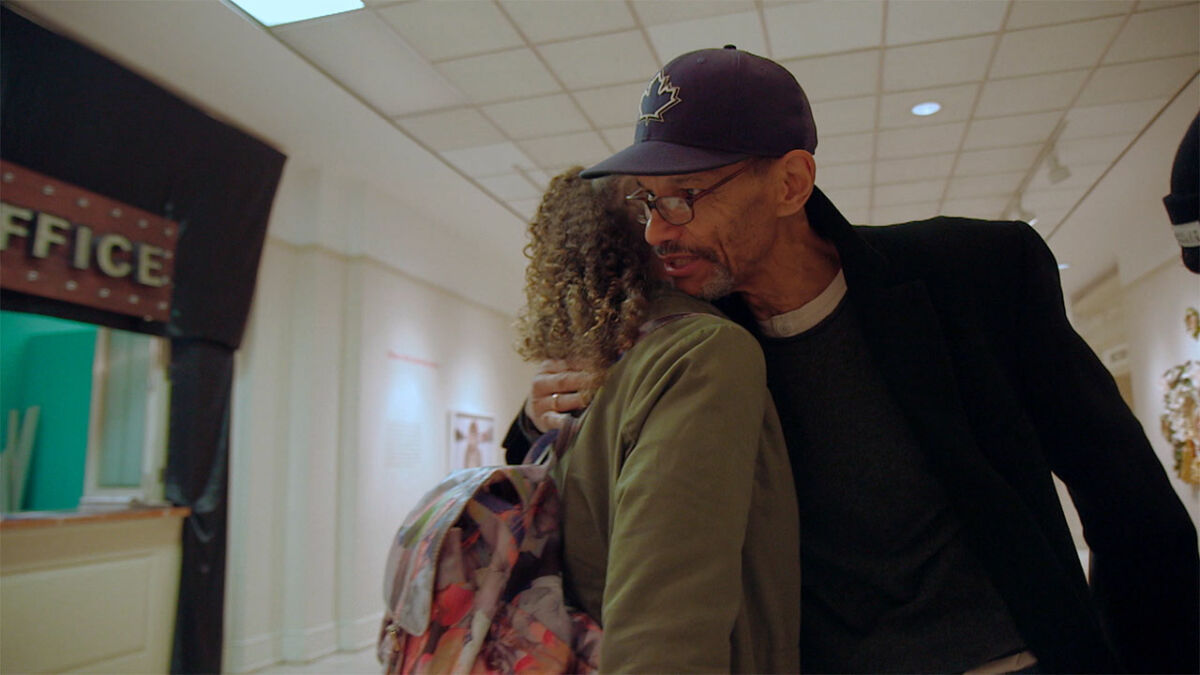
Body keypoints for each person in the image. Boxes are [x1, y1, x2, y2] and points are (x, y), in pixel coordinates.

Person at [504, 46, 1200, 674]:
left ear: (790, 183)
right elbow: (581, 498)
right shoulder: (697, 353)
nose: (658, 230)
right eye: (648, 201)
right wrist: (533, 415)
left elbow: (1129, 507)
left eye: (686, 199)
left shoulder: (976, 274)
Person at [513, 166, 800, 673]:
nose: (675, 219)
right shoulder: (702, 351)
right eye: (660, 204)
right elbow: (667, 615)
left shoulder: (597, 368)